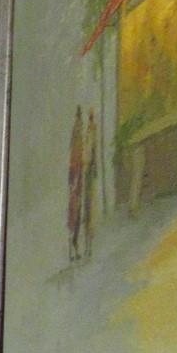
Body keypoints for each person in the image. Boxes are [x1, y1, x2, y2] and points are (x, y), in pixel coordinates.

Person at [67, 107, 84, 262]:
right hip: (75, 184)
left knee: (77, 216)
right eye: (79, 125)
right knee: (73, 216)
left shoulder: (79, 144)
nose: (80, 126)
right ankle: (72, 248)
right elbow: (73, 166)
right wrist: (74, 182)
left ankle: (75, 247)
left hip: (78, 184)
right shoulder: (75, 146)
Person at [83, 109, 98, 258]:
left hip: (88, 174)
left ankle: (89, 245)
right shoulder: (90, 132)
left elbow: (90, 154)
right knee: (88, 210)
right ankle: (88, 245)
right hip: (88, 173)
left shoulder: (91, 132)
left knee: (89, 209)